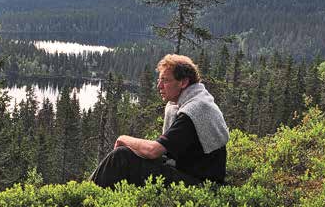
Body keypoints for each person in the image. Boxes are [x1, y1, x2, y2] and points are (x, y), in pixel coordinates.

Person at [90, 54, 229, 188]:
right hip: (190, 173)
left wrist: (123, 138)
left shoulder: (194, 111)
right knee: (127, 155)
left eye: (165, 80)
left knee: (121, 156)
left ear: (184, 82)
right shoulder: (195, 101)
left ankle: (83, 197)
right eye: (159, 80)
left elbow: (154, 151)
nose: (159, 86)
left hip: (199, 184)